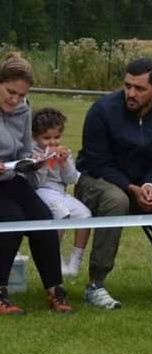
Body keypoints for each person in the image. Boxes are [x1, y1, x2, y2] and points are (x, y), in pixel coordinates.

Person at [76, 57, 152, 310]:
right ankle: (96, 284)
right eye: (127, 86)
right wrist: (131, 188)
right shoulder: (102, 111)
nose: (131, 93)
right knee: (115, 200)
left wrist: (149, 185)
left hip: (145, 181)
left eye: (139, 88)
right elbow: (98, 162)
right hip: (98, 180)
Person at [0, 53, 73, 315]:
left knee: (43, 217)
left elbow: (22, 150)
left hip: (10, 177)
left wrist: (36, 161)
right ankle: (0, 293)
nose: (15, 99)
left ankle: (55, 290)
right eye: (10, 92)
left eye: (21, 95)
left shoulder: (23, 109)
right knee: (11, 219)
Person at [30, 107, 90, 278]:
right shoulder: (33, 153)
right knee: (61, 213)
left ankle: (76, 259)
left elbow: (71, 179)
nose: (53, 142)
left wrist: (64, 163)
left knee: (85, 215)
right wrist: (42, 163)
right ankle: (55, 258)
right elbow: (36, 182)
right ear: (35, 137)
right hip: (41, 191)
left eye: (56, 137)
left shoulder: (64, 152)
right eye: (46, 138)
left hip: (60, 192)